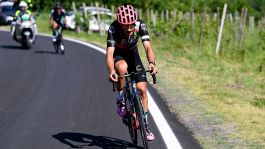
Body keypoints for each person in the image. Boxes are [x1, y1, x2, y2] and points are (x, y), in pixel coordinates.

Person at [106, 4, 158, 141]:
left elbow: (147, 46)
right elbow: (110, 52)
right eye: (125, 26)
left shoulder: (140, 25)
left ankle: (146, 124)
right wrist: (112, 70)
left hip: (133, 56)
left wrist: (152, 63)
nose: (129, 29)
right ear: (119, 23)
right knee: (122, 68)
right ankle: (121, 98)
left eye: (131, 25)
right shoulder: (113, 28)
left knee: (142, 89)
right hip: (119, 56)